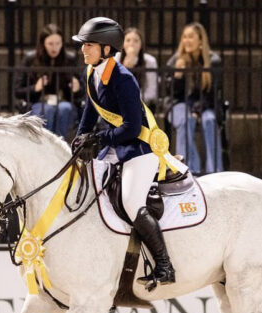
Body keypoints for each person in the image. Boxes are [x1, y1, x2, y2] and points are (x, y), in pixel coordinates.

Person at [72, 17, 186, 289]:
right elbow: (90, 111)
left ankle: (164, 265)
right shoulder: (92, 72)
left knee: (131, 202)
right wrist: (78, 141)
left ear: (107, 49)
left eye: (89, 45)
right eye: (84, 45)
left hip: (139, 148)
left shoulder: (123, 79)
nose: (83, 50)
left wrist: (99, 138)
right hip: (115, 146)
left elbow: (132, 128)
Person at [165, 22, 224, 174]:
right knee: (186, 119)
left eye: (191, 37)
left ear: (200, 40)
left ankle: (215, 171)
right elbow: (170, 93)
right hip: (178, 104)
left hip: (206, 105)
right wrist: (177, 76)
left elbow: (213, 92)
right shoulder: (175, 60)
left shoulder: (213, 61)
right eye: (184, 37)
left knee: (209, 121)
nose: (187, 41)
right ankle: (189, 171)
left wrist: (197, 109)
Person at [14, 24, 82, 139]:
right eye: (50, 44)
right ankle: (45, 146)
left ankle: (60, 146)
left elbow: (83, 92)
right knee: (46, 110)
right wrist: (35, 88)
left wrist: (77, 88)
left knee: (64, 109)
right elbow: (18, 91)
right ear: (43, 44)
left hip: (63, 101)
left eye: (58, 43)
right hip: (37, 102)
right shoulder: (30, 59)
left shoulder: (69, 59)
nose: (54, 47)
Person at [116, 27, 159, 110]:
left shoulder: (150, 61)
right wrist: (125, 67)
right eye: (128, 40)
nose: (131, 44)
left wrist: (134, 100)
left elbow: (151, 90)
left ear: (141, 44)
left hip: (141, 104)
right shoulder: (116, 59)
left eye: (136, 41)